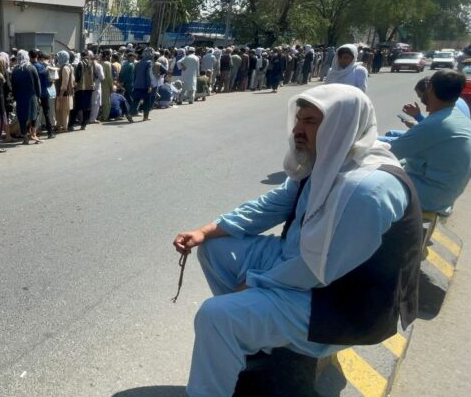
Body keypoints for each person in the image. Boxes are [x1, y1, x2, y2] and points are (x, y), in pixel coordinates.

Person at [174, 84, 423, 397]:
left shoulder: (367, 188)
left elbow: (322, 270)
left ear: (343, 124)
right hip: (304, 270)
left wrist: (255, 282)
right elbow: (274, 203)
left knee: (217, 315)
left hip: (340, 304)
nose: (298, 130)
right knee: (215, 248)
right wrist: (206, 231)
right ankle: (255, 343)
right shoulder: (331, 160)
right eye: (299, 119)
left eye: (311, 122)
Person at [389, 70, 471, 212]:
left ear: (430, 88)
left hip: (430, 196)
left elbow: (390, 152)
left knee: (367, 181)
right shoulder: (455, 117)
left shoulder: (435, 124)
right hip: (445, 193)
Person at [11, 50, 43, 142]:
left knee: (22, 118)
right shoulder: (31, 68)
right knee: (34, 116)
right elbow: (37, 84)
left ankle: (25, 137)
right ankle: (33, 134)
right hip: (32, 97)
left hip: (20, 98)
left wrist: (15, 97)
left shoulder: (15, 70)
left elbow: (13, 86)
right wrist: (39, 96)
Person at [69, 51, 94, 131]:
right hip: (89, 88)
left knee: (76, 107)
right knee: (87, 107)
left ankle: (71, 125)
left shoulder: (80, 63)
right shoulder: (91, 63)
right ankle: (84, 124)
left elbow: (78, 77)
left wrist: (74, 84)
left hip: (80, 88)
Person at [34, 51, 56, 136]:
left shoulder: (32, 66)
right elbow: (48, 82)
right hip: (44, 92)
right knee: (46, 113)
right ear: (42, 58)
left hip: (35, 93)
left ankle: (34, 132)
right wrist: (52, 82)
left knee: (36, 113)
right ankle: (50, 132)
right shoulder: (45, 68)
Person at [131, 48, 154, 119]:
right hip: (145, 85)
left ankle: (130, 114)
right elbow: (148, 75)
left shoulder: (137, 63)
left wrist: (134, 83)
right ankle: (145, 117)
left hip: (137, 84)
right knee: (147, 101)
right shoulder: (149, 63)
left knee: (136, 100)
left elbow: (134, 74)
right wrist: (150, 85)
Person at [55, 50, 74, 132]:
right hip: (66, 92)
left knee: (63, 111)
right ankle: (60, 126)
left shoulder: (65, 68)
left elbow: (65, 82)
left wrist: (61, 94)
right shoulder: (69, 66)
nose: (57, 59)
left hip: (64, 93)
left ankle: (64, 127)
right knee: (62, 111)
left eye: (59, 57)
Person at [100, 51, 114, 122]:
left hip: (98, 84)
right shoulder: (107, 64)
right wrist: (111, 87)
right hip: (105, 84)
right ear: (107, 56)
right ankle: (105, 117)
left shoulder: (98, 63)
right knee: (106, 102)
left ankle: (99, 115)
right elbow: (109, 77)